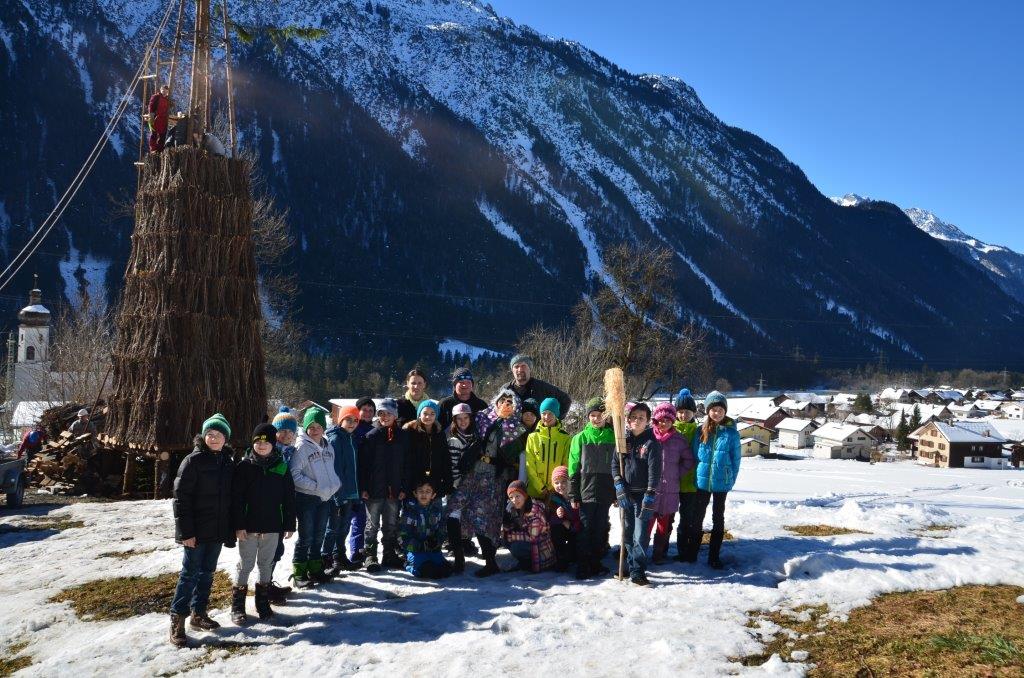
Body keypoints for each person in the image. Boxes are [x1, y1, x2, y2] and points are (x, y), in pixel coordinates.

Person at [169, 413, 235, 647]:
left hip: (216, 530)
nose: (213, 438)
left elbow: (230, 499)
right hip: (195, 531)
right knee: (189, 574)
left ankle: (198, 613)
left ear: (226, 438)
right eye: (209, 434)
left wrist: (229, 530)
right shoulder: (192, 461)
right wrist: (186, 533)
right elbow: (180, 499)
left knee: (207, 572)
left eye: (218, 434)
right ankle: (177, 619)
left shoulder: (227, 462)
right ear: (203, 436)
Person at [447, 389, 525, 577]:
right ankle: (458, 558)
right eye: (502, 401)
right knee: (453, 510)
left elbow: (514, 457)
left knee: (484, 518)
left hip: (493, 478)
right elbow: (462, 427)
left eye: (509, 403)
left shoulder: (515, 428)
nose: (505, 405)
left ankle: (491, 562)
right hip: (472, 474)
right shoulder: (482, 418)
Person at [230, 423, 296, 625]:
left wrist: (289, 524)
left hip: (273, 526)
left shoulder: (281, 467)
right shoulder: (244, 467)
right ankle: (237, 606)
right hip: (248, 528)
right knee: (246, 564)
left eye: (266, 442)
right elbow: (236, 499)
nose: (261, 445)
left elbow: (289, 498)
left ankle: (262, 602)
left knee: (266, 564)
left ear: (273, 444)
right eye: (257, 441)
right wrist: (238, 525)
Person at [687, 391, 741, 569]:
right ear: (707, 411)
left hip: (721, 482)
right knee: (697, 517)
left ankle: (714, 556)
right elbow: (694, 455)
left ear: (725, 411)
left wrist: (730, 479)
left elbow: (736, 459)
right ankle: (692, 552)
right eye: (713, 410)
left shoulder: (731, 434)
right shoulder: (700, 431)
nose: (716, 413)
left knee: (718, 518)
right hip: (702, 482)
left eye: (720, 410)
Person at [289, 408, 341, 588]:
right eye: (311, 426)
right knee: (306, 537)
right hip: (307, 499)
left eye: (319, 426)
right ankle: (299, 573)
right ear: (305, 428)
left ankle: (315, 568)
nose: (315, 430)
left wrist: (334, 485)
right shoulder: (302, 447)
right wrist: (316, 486)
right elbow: (294, 474)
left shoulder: (328, 446)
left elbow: (331, 470)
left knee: (319, 536)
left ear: (324, 427)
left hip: (324, 499)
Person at [611, 403, 661, 586]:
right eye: (633, 417)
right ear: (628, 419)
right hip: (626, 495)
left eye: (641, 418)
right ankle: (630, 565)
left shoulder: (651, 444)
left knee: (640, 536)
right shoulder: (623, 441)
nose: (637, 421)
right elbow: (615, 465)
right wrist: (619, 484)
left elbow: (655, 472)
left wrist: (650, 493)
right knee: (627, 533)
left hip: (643, 497)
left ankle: (638, 570)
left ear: (647, 421)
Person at [568, 397, 616, 580]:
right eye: (593, 415)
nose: (596, 419)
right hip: (585, 491)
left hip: (605, 491)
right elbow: (573, 467)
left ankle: (596, 562)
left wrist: (616, 492)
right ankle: (582, 564)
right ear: (588, 417)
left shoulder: (614, 437)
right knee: (585, 529)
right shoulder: (580, 438)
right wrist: (574, 493)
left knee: (600, 528)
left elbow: (618, 467)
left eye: (600, 415)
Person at [359, 398, 408, 573]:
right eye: (381, 413)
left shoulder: (403, 436)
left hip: (394, 489)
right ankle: (370, 555)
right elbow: (363, 466)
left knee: (391, 524)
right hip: (374, 489)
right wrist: (364, 487)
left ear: (395, 415)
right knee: (372, 525)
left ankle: (389, 553)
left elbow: (407, 465)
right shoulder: (371, 436)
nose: (385, 416)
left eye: (389, 413)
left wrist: (404, 487)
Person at [648, 402, 693, 564]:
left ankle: (658, 555)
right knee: (646, 524)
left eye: (668, 420)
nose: (664, 423)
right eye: (661, 420)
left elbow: (688, 460)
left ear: (672, 421)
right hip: (650, 489)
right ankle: (640, 555)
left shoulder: (679, 439)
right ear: (655, 420)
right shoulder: (648, 437)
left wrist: (675, 474)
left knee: (663, 525)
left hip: (670, 490)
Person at [323, 405, 361, 576]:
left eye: (355, 420)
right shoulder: (336, 439)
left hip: (350, 491)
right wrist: (338, 495)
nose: (352, 423)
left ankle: (339, 556)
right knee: (333, 527)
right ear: (340, 420)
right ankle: (325, 558)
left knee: (344, 526)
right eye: (348, 419)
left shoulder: (351, 438)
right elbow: (336, 470)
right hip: (338, 493)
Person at [445, 403, 482, 571]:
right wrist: (457, 486)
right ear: (454, 421)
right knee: (454, 516)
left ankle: (467, 545)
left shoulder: (474, 436)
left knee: (470, 518)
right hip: (458, 485)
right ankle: (458, 555)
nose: (463, 421)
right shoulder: (454, 440)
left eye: (466, 417)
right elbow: (453, 466)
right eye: (459, 419)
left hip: (474, 484)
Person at [267, 407, 299, 601]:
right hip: (269, 508)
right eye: (282, 431)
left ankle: (268, 583)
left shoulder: (292, 452)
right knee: (269, 551)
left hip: (284, 507)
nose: (286, 435)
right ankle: (264, 587)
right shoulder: (271, 452)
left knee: (277, 549)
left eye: (290, 431)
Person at [400, 478, 453, 579]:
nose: (424, 494)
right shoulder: (410, 512)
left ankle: (433, 562)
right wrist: (419, 545)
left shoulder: (436, 512)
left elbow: (442, 530)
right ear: (415, 494)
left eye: (428, 491)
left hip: (432, 550)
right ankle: (408, 564)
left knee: (446, 570)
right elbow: (403, 535)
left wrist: (437, 541)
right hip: (415, 551)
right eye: (421, 491)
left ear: (433, 495)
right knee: (429, 571)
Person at [402, 400, 454, 499]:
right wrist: (405, 485)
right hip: (414, 482)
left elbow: (445, 458)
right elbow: (405, 458)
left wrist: (448, 482)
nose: (428, 417)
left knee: (435, 507)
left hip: (435, 481)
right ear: (419, 414)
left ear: (436, 415)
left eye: (432, 414)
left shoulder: (439, 433)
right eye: (425, 413)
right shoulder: (410, 432)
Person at [672, 389, 701, 562]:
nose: (683, 415)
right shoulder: (670, 430)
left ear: (694, 412)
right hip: (672, 483)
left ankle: (684, 551)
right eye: (680, 411)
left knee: (687, 519)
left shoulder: (698, 432)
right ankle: (662, 549)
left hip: (691, 484)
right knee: (667, 518)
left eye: (687, 412)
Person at [502, 480, 556, 574]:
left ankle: (529, 564)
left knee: (515, 546)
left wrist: (510, 536)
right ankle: (525, 562)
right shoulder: (517, 508)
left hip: (541, 552)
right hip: (530, 543)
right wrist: (506, 524)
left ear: (525, 496)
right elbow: (514, 527)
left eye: (517, 496)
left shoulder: (534, 511)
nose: (514, 500)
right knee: (505, 538)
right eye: (511, 497)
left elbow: (533, 538)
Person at [524, 397, 572, 501]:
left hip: (556, 492)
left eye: (550, 413)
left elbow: (566, 464)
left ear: (556, 415)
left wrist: (555, 486)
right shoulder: (532, 437)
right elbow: (529, 465)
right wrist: (540, 487)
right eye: (544, 413)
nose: (547, 417)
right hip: (535, 491)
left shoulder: (565, 438)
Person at [347, 397, 377, 564]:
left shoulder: (375, 430)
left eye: (371, 410)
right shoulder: (351, 429)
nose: (367, 413)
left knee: (363, 520)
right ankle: (340, 553)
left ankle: (359, 552)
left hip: (367, 481)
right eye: (364, 409)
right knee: (347, 520)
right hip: (351, 481)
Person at [503, 354, 571, 420]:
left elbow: (565, 399)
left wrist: (555, 420)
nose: (520, 369)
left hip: (538, 427)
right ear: (512, 370)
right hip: (513, 427)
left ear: (530, 369)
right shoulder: (506, 389)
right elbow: (498, 409)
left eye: (523, 366)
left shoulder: (542, 387)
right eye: (516, 366)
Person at [545, 465, 581, 571]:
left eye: (563, 482)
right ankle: (560, 559)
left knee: (576, 542)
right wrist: (559, 517)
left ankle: (573, 556)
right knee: (556, 531)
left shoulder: (576, 497)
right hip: (562, 528)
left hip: (575, 528)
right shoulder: (553, 498)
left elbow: (582, 516)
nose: (560, 485)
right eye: (556, 483)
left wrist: (572, 526)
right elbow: (549, 517)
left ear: (569, 482)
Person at [147, 84, 171, 153]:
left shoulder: (167, 99)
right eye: (163, 90)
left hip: (163, 120)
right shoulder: (156, 97)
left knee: (162, 135)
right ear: (161, 90)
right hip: (155, 118)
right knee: (154, 134)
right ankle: (153, 149)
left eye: (166, 91)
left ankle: (160, 150)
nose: (164, 92)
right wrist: (151, 116)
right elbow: (151, 106)